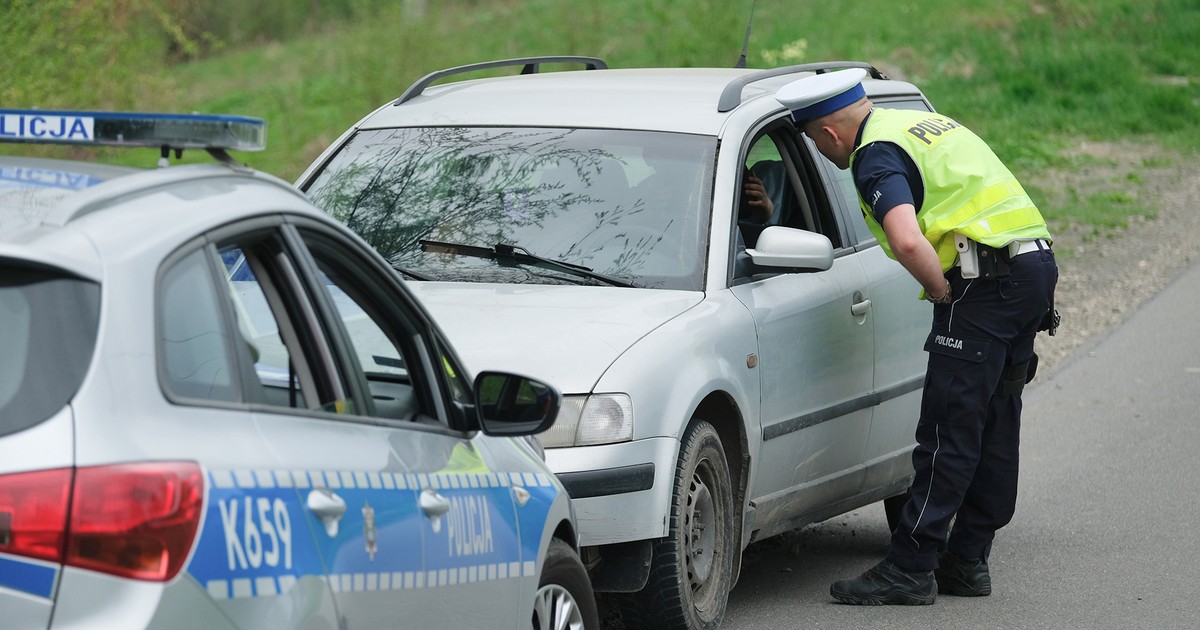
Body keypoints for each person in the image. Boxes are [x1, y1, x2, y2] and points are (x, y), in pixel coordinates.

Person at [775, 68, 1059, 605]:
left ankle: (910, 567)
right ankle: (968, 561)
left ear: (829, 134)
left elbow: (906, 240)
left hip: (982, 285)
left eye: (813, 139)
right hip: (1032, 270)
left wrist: (940, 292)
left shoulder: (874, 155)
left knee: (949, 428)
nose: (818, 147)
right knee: (996, 417)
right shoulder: (917, 123)